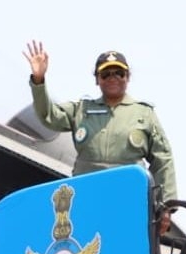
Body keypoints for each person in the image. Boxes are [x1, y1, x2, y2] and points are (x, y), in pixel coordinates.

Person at [23, 40, 177, 235]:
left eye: (119, 73)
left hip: (128, 202)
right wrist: (38, 80)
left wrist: (165, 207)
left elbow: (163, 159)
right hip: (86, 200)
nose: (113, 78)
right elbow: (49, 115)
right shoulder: (82, 109)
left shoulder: (144, 113)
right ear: (97, 79)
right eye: (105, 74)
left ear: (127, 77)